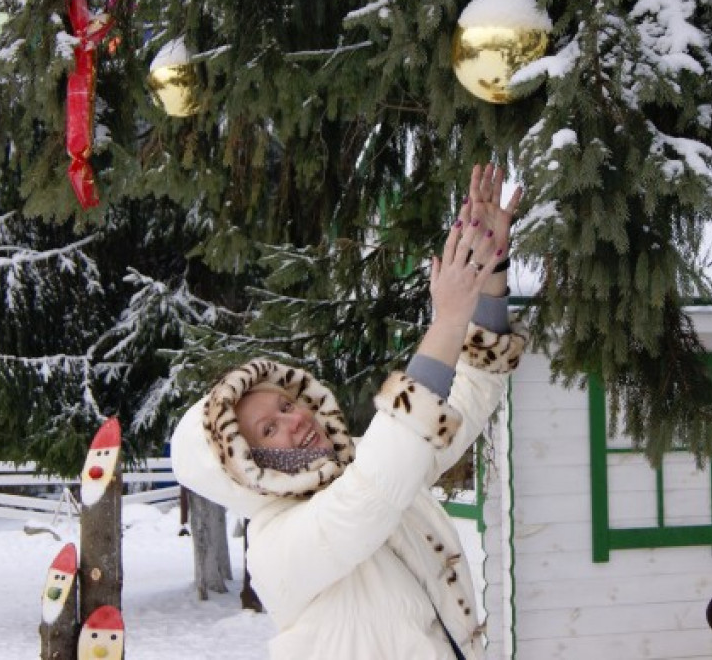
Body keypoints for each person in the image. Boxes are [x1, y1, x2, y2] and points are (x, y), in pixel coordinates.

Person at [170, 163, 526, 660]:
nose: (295, 421)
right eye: (268, 429)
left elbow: (463, 400)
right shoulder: (275, 550)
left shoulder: (362, 464)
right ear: (243, 467)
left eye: (287, 404)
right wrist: (446, 320)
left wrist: (488, 273)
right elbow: (380, 484)